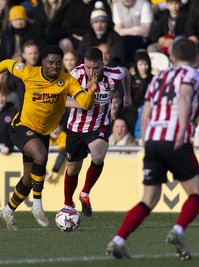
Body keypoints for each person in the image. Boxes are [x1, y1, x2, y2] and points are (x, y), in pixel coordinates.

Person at [106, 38, 199, 260]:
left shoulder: (159, 76)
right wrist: (180, 132)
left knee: (149, 198)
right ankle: (178, 231)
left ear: (172, 58)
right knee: (196, 193)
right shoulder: (192, 74)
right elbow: (185, 98)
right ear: (196, 59)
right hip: (174, 139)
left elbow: (146, 110)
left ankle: (119, 240)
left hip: (152, 139)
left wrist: (144, 136)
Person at [0, 45, 97, 230]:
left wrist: (90, 90)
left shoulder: (67, 80)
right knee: (41, 156)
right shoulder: (28, 72)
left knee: (28, 179)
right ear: (43, 62)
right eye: (50, 62)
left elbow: (85, 104)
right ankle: (37, 205)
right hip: (22, 126)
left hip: (42, 133)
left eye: (58, 63)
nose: (54, 66)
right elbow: (6, 63)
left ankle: (7, 211)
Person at [63, 47, 131, 217]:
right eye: (88, 67)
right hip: (76, 128)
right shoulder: (75, 75)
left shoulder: (112, 74)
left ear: (103, 64)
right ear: (83, 64)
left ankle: (85, 193)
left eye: (95, 68)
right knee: (73, 170)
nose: (91, 72)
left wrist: (127, 95)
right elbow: (62, 99)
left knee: (99, 156)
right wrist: (83, 102)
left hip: (99, 125)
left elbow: (126, 73)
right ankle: (67, 203)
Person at [77, 2, 125, 66]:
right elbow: (80, 55)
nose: (99, 26)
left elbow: (118, 59)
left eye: (102, 22)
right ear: (92, 25)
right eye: (96, 22)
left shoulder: (115, 37)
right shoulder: (87, 37)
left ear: (106, 23)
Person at [112, 0, 154, 66]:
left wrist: (123, 31)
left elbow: (146, 31)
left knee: (126, 41)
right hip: (124, 38)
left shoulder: (144, 4)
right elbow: (117, 30)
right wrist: (136, 29)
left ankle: (130, 66)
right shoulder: (117, 6)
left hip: (144, 39)